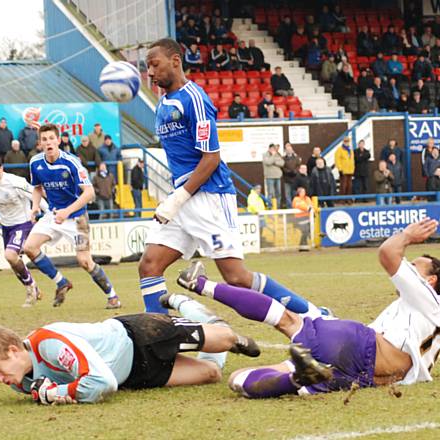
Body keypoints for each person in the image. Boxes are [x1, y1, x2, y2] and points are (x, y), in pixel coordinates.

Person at [140, 38, 327, 318]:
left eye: (155, 65)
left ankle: (313, 314)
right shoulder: (163, 102)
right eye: (147, 67)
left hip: (208, 196)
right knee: (149, 265)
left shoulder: (195, 99)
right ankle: (158, 341)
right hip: (183, 197)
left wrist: (177, 199)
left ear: (176, 61)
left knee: (236, 277)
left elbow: (211, 158)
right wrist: (176, 199)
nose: (150, 73)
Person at [177, 218, 440, 400]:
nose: (408, 268)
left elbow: (388, 253)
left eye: (415, 266)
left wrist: (406, 235)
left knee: (286, 319)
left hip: (359, 347)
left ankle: (200, 284)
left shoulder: (426, 296)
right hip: (360, 375)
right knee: (237, 380)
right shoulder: (425, 317)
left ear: (430, 280)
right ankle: (297, 378)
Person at [0, 301, 260, 404]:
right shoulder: (22, 384)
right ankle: (198, 316)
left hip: (139, 336)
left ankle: (186, 304)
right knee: (211, 374)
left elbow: (102, 383)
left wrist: (58, 395)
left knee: (225, 339)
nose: (0, 379)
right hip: (134, 374)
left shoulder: (48, 342)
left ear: (13, 350)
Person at [24, 124, 120, 309]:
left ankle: (113, 296)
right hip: (53, 215)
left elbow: (90, 192)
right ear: (40, 143)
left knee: (84, 261)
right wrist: (35, 207)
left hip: (76, 218)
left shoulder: (72, 162)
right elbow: (37, 187)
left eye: (52, 138)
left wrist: (67, 212)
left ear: (58, 140)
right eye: (44, 139)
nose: (48, 142)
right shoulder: (35, 162)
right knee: (29, 247)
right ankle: (61, 282)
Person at [0, 154, 46, 307]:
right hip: (6, 226)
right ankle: (34, 289)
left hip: (23, 223)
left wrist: (48, 212)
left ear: (1, 168)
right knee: (13, 262)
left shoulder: (15, 182)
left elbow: (35, 195)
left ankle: (31, 289)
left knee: (10, 255)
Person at [282, 143, 301, 208]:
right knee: (287, 195)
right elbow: (283, 167)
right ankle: (289, 208)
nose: (289, 151)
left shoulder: (296, 158)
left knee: (294, 194)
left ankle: (295, 206)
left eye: (290, 150)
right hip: (287, 179)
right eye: (287, 150)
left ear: (292, 150)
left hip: (295, 179)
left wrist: (295, 171)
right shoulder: (283, 158)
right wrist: (289, 172)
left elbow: (298, 166)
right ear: (285, 151)